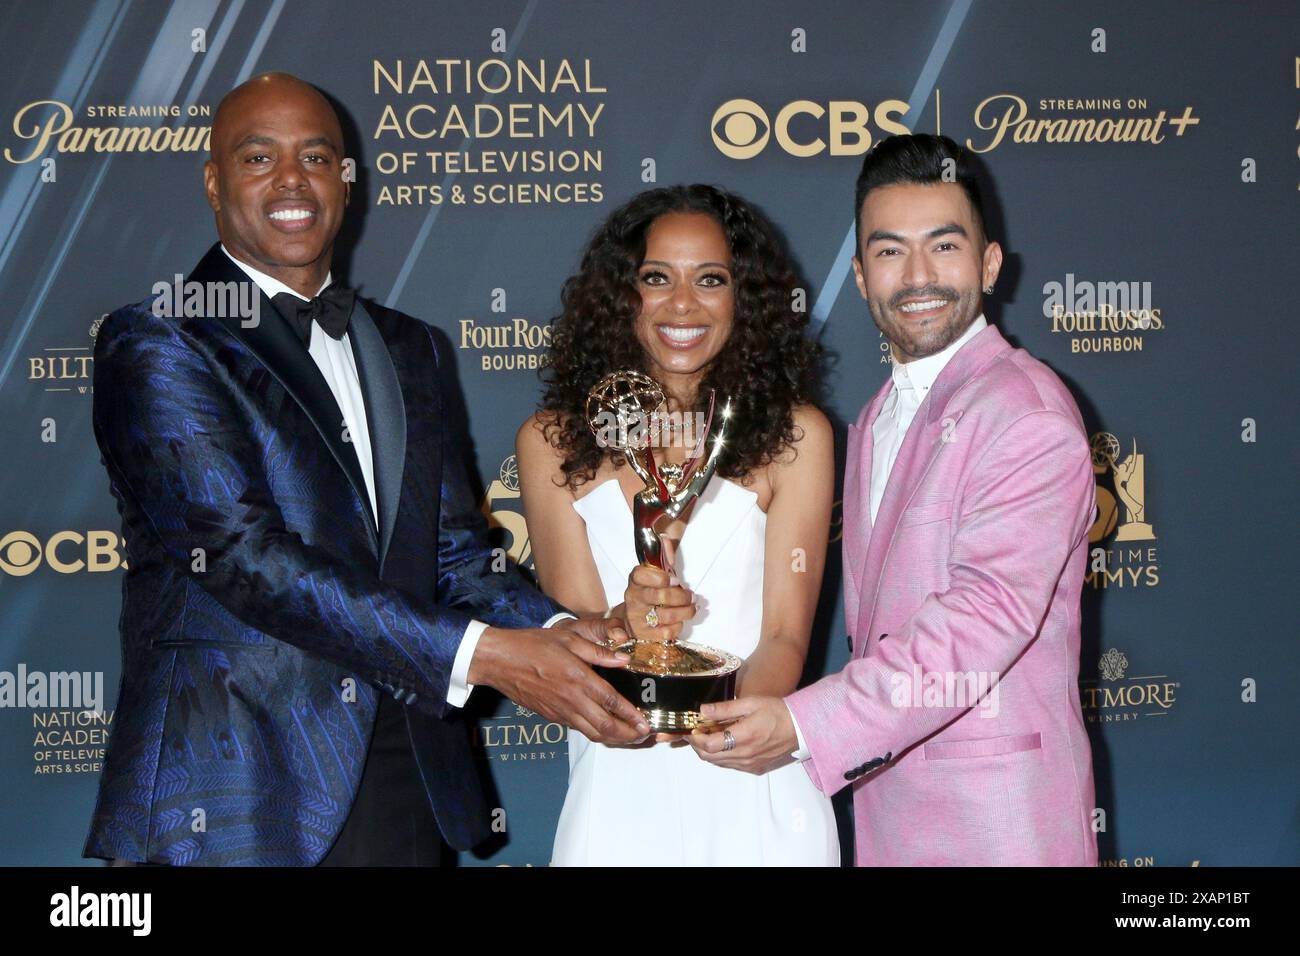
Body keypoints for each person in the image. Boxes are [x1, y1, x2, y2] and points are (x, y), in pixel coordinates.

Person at [82, 72, 648, 867]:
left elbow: (452, 549)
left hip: (406, 777)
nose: (292, 180)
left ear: (346, 184)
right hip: (233, 792)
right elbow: (246, 560)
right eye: (258, 157)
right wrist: (482, 656)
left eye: (317, 156)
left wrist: (557, 631)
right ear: (213, 181)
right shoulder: (161, 340)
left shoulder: (408, 347)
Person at [690, 134, 1099, 867]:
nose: (917, 276)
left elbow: (981, 623)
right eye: (888, 252)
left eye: (944, 246)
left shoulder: (1025, 412)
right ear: (859, 274)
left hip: (998, 828)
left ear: (990, 263)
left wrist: (806, 724)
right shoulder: (877, 414)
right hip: (889, 814)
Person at [516, 185, 841, 865]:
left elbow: (784, 637)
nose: (683, 304)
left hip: (755, 783)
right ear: (621, 296)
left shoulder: (797, 437)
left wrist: (724, 731)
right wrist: (622, 622)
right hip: (616, 786)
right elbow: (571, 631)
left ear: (743, 299)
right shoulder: (552, 442)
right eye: (657, 278)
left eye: (711, 280)